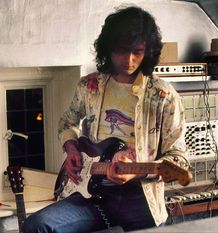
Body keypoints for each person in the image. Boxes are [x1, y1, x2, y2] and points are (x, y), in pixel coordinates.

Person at [22, 6, 189, 233]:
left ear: (148, 51)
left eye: (137, 51)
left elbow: (179, 161)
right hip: (92, 195)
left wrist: (137, 170)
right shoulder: (89, 86)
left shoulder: (164, 96)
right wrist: (71, 148)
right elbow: (67, 122)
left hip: (140, 201)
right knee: (36, 225)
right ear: (108, 48)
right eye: (121, 50)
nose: (129, 60)